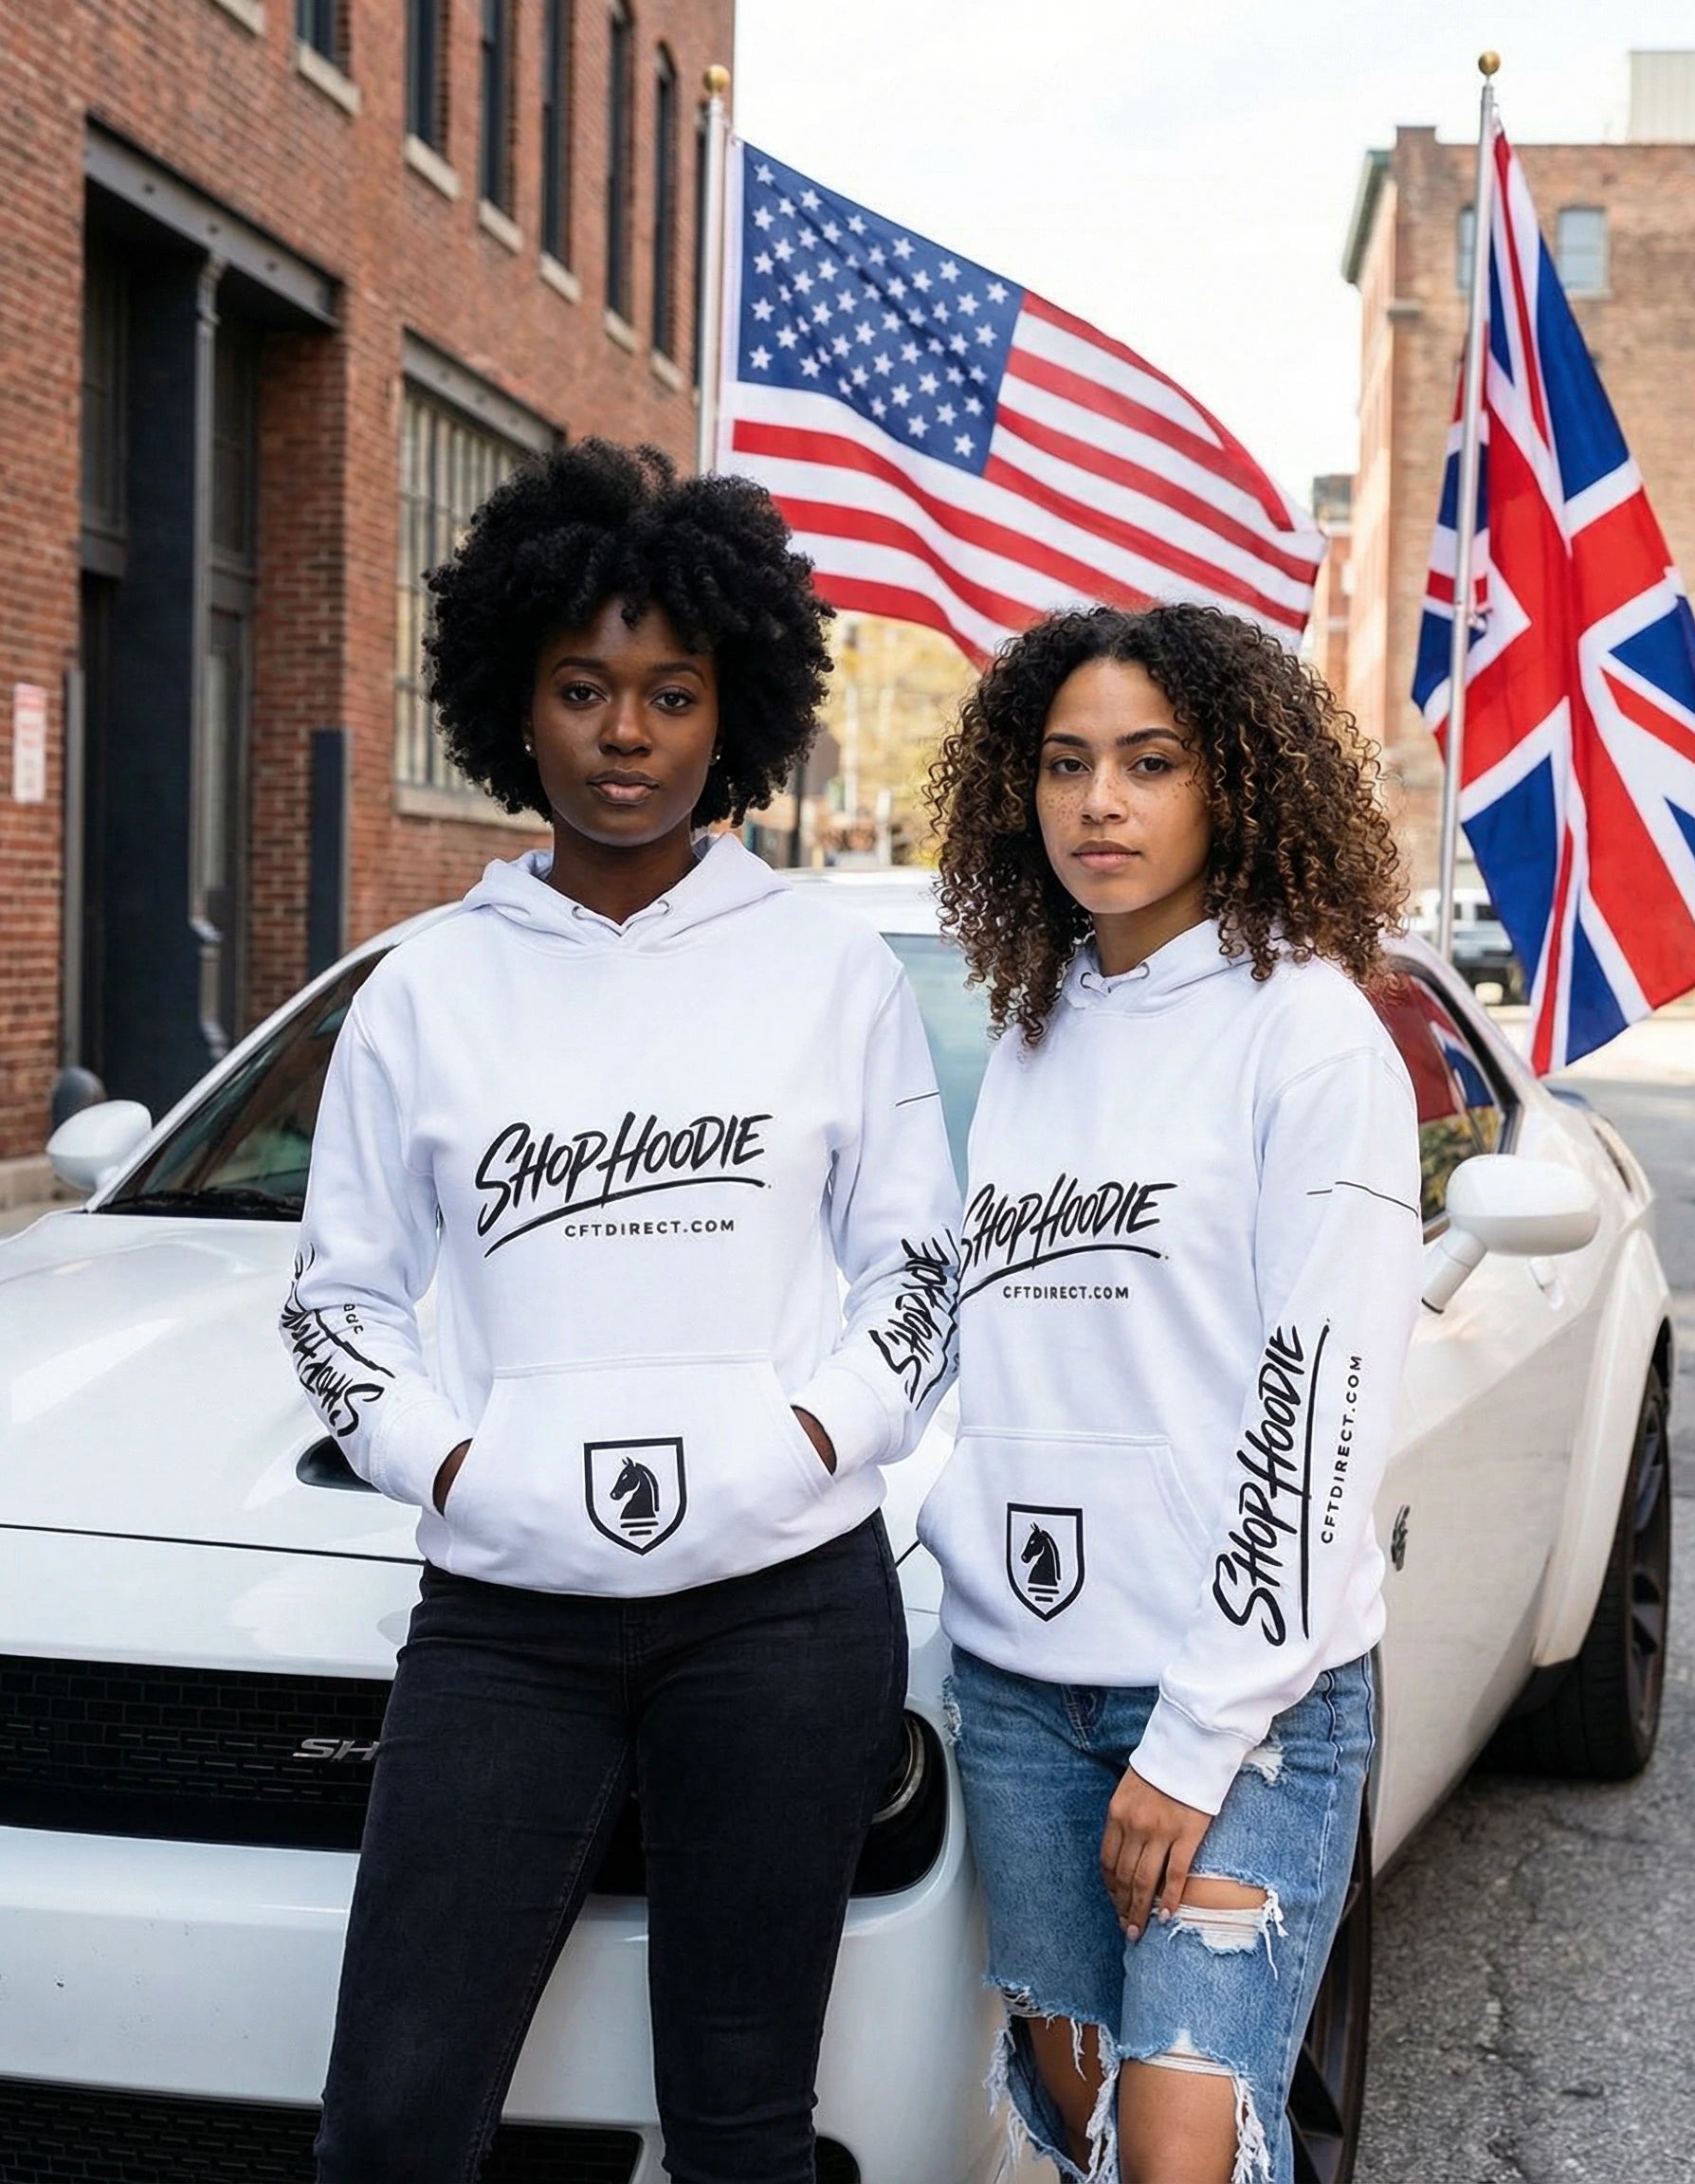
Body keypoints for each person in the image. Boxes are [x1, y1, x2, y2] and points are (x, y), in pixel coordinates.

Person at [280, 440, 961, 2184]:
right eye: (583, 688)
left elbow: (919, 1277)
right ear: (518, 704)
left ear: (734, 713)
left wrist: (803, 1441)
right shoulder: (429, 988)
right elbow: (339, 1304)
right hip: (507, 1623)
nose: (626, 733)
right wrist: (454, 1471)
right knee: (392, 2118)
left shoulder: (830, 972)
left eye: (672, 692)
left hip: (783, 1612)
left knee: (740, 2130)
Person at [920, 602, 1421, 2184]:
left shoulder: (1310, 1034)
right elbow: (990, 1352)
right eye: (1065, 765)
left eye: (1151, 763)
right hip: (1020, 1690)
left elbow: (1320, 1410)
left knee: (1178, 2141)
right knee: (1079, 2122)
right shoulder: (1031, 1031)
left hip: (1240, 1703)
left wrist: (1197, 1735)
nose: (1101, 804)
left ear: (1235, 783)